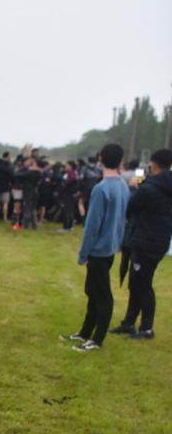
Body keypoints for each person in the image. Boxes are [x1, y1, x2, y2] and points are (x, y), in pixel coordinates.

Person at [61, 143, 130, 352]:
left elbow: (92, 226)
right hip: (110, 247)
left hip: (99, 250)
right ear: (120, 160)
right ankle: (85, 332)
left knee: (102, 296)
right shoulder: (123, 185)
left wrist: (83, 254)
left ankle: (97, 339)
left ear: (100, 159)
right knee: (92, 291)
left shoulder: (102, 189)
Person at [110, 147, 172, 341]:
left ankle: (146, 328)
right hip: (159, 239)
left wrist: (135, 187)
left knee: (142, 284)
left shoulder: (149, 188)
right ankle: (129, 322)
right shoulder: (163, 185)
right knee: (136, 282)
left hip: (146, 241)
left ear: (153, 164)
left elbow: (130, 207)